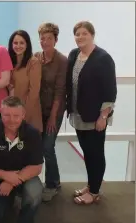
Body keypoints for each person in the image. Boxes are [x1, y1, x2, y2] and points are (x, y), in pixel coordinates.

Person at [66, 21, 117, 205]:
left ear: (92, 35)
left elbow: (110, 90)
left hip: (95, 116)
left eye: (84, 33)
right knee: (87, 152)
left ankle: (94, 192)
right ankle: (91, 184)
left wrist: (103, 116)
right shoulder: (74, 54)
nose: (80, 37)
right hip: (78, 114)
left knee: (95, 153)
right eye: (77, 34)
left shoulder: (103, 58)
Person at [0, 96, 44, 223]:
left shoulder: (33, 134)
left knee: (35, 192)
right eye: (7, 115)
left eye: (16, 116)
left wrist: (12, 181)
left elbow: (37, 166)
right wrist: (5, 175)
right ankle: (10, 202)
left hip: (23, 178)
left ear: (23, 115)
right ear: (1, 113)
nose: (11, 120)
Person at [34, 23, 67, 202]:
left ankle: (52, 185)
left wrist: (53, 116)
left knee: (48, 146)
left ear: (56, 39)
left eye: (49, 38)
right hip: (38, 110)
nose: (45, 41)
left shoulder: (62, 60)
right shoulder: (36, 57)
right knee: (38, 147)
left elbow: (60, 91)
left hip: (54, 110)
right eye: (42, 38)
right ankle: (54, 180)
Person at [8, 30, 43, 133]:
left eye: (22, 43)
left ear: (27, 44)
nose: (18, 46)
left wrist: (23, 115)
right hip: (11, 112)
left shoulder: (33, 63)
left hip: (28, 113)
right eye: (15, 43)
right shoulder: (8, 61)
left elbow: (34, 92)